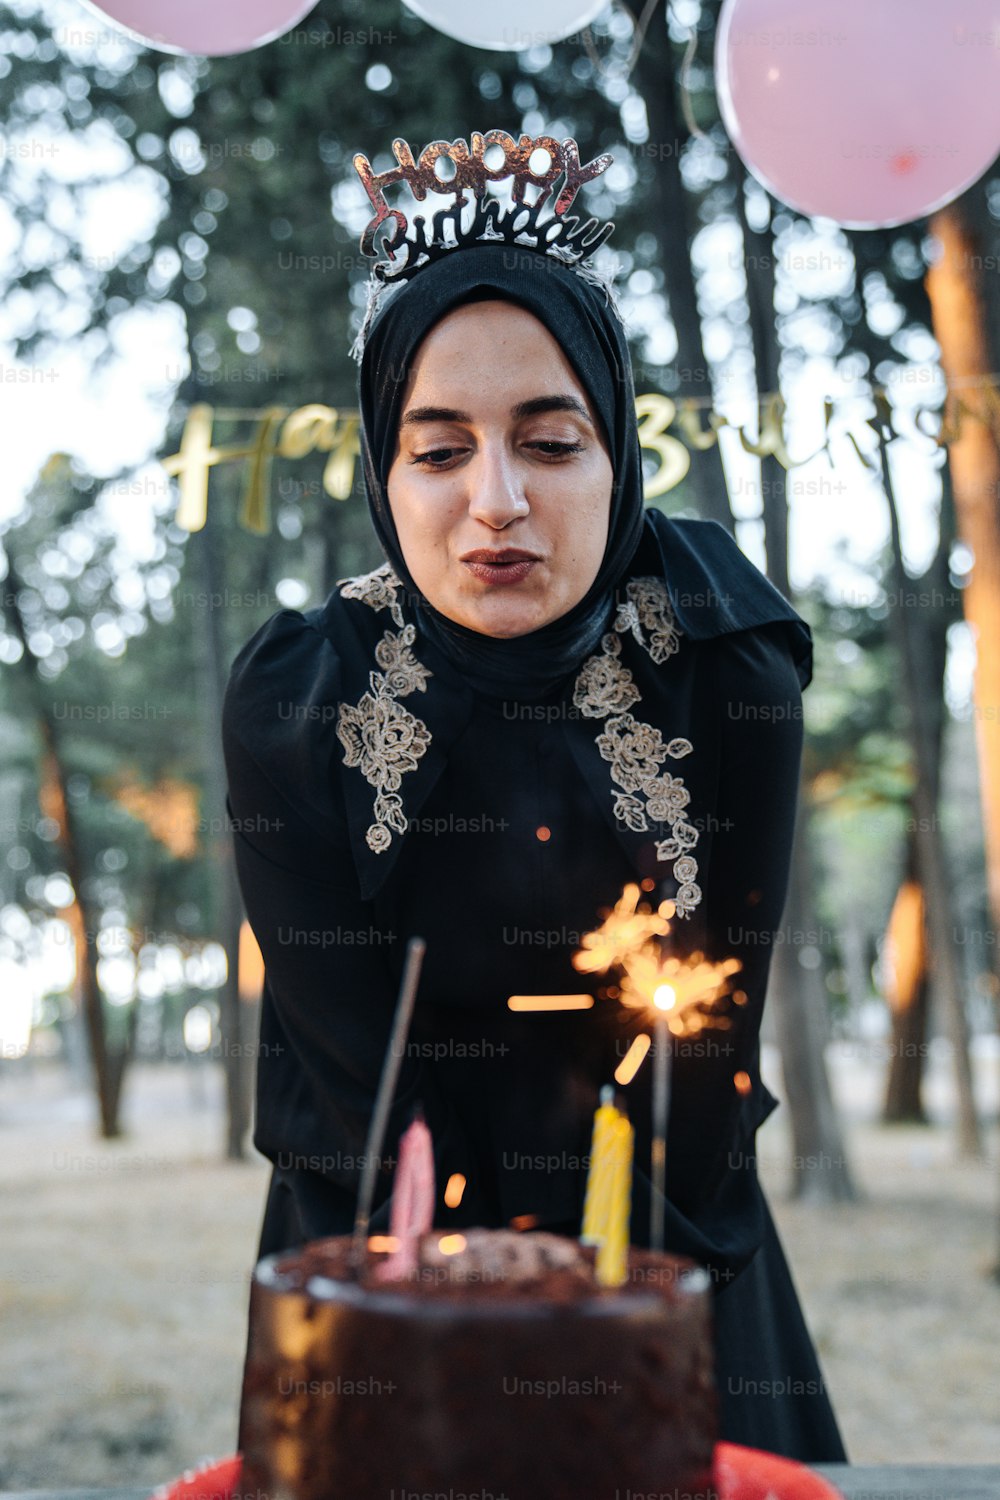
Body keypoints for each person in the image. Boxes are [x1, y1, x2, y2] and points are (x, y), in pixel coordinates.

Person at [222, 143, 847, 1462]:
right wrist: (459, 1323)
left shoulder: (725, 659)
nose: (494, 505)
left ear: (617, 451)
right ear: (386, 479)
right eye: (438, 450)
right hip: (378, 1259)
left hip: (665, 1238)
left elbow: (707, 1027)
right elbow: (347, 1074)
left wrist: (615, 1314)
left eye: (551, 443)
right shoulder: (300, 700)